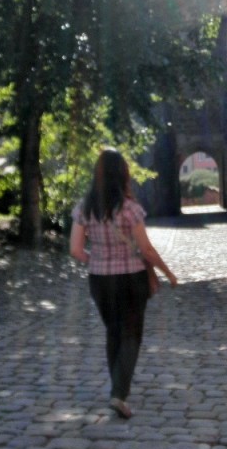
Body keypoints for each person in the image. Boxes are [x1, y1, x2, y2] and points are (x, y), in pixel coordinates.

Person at [69, 147, 177, 419]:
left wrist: (99, 259)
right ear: (124, 175)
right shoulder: (130, 210)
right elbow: (146, 250)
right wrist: (168, 273)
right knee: (131, 334)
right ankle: (119, 394)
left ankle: (117, 389)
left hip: (99, 281)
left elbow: (76, 250)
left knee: (113, 332)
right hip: (131, 279)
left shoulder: (85, 208)